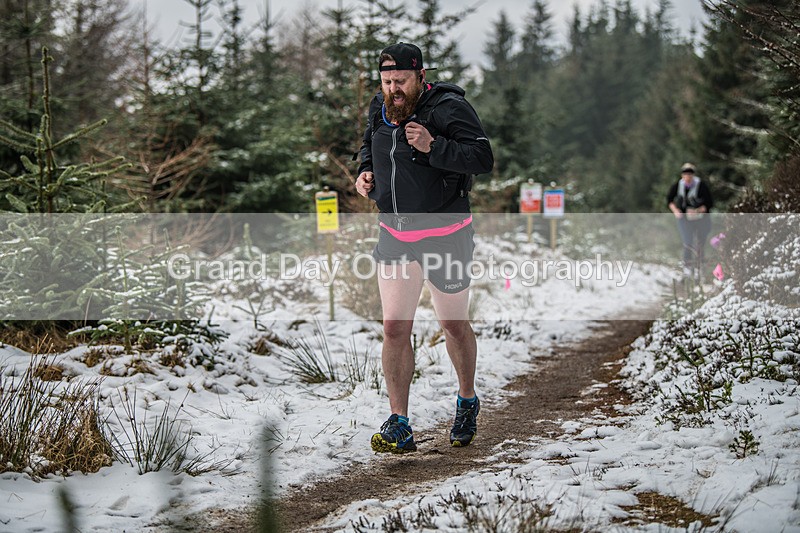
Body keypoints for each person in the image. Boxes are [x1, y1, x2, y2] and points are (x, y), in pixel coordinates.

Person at [354, 42, 494, 453]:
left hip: (445, 232)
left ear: (419, 76)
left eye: (400, 81)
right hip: (395, 233)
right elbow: (369, 146)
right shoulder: (378, 107)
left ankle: (467, 399)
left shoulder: (448, 107)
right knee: (395, 327)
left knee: (452, 325)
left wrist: (434, 146)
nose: (393, 89)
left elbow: (482, 157)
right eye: (386, 81)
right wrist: (364, 172)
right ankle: (400, 421)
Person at [667, 163, 714, 277]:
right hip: (685, 218)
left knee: (700, 242)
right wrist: (676, 211)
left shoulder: (701, 185)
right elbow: (669, 200)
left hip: (700, 219)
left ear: (693, 175)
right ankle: (687, 267)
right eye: (685, 174)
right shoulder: (678, 186)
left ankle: (699, 267)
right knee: (688, 242)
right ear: (682, 175)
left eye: (689, 174)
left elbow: (709, 203)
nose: (687, 177)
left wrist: (698, 210)